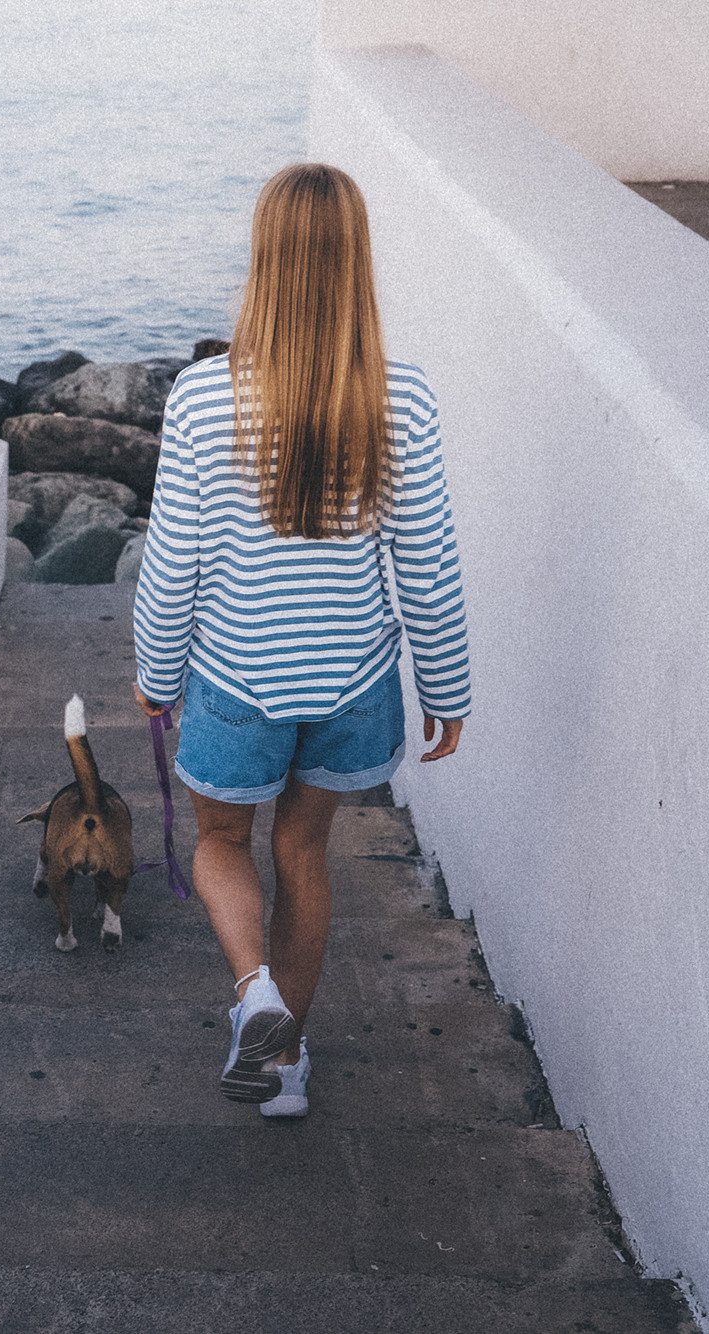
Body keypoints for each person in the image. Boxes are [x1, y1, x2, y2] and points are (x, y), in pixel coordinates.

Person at [130, 163, 470, 1119]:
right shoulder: (401, 399)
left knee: (218, 843)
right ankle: (286, 1071)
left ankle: (256, 995)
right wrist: (446, 687)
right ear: (356, 261)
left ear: (264, 261)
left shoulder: (202, 400)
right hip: (354, 682)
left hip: (236, 679)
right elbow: (429, 565)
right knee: (305, 854)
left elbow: (174, 566)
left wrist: (157, 676)